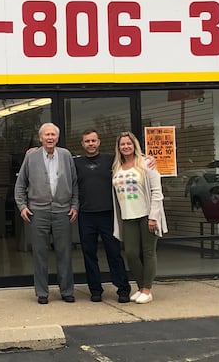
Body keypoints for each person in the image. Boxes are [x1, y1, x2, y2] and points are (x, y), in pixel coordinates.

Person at [14, 123, 79, 304]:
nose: (50, 138)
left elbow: (74, 183)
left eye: (53, 135)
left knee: (64, 253)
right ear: (41, 138)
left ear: (57, 138)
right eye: (46, 135)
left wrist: (75, 205)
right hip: (38, 212)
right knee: (40, 254)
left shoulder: (66, 156)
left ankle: (67, 290)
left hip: (62, 211)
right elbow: (20, 185)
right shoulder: (32, 157)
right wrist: (22, 206)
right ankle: (42, 292)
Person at [74, 129, 133, 303]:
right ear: (83, 144)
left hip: (108, 214)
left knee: (114, 253)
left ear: (99, 142)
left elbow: (132, 157)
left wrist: (148, 159)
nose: (90, 144)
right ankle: (95, 290)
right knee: (89, 254)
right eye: (87, 141)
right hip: (86, 215)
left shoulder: (111, 159)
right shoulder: (76, 163)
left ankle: (123, 289)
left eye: (93, 140)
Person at [111, 131, 167, 305]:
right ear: (118, 147)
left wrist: (153, 216)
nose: (126, 147)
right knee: (131, 253)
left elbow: (157, 192)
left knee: (149, 252)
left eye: (129, 143)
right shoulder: (117, 166)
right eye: (122, 144)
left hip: (146, 215)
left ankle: (147, 289)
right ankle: (141, 286)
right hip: (128, 216)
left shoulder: (146, 163)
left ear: (134, 145)